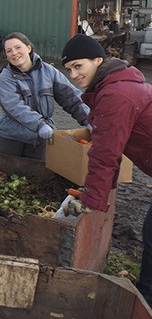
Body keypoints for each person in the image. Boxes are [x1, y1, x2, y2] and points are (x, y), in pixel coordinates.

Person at [59, 34, 152, 305]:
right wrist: (102, 193)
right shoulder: (115, 85)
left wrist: (91, 202)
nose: (74, 74)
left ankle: (146, 297)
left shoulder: (116, 94)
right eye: (69, 69)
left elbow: (105, 154)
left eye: (78, 66)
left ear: (98, 60)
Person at [0, 32, 89, 160]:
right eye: (9, 51)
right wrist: (39, 124)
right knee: (4, 175)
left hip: (42, 139)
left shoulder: (49, 71)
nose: (14, 53)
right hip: (12, 138)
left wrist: (90, 119)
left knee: (39, 177)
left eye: (18, 47)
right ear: (6, 56)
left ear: (28, 48)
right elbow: (14, 106)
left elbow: (71, 97)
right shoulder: (5, 78)